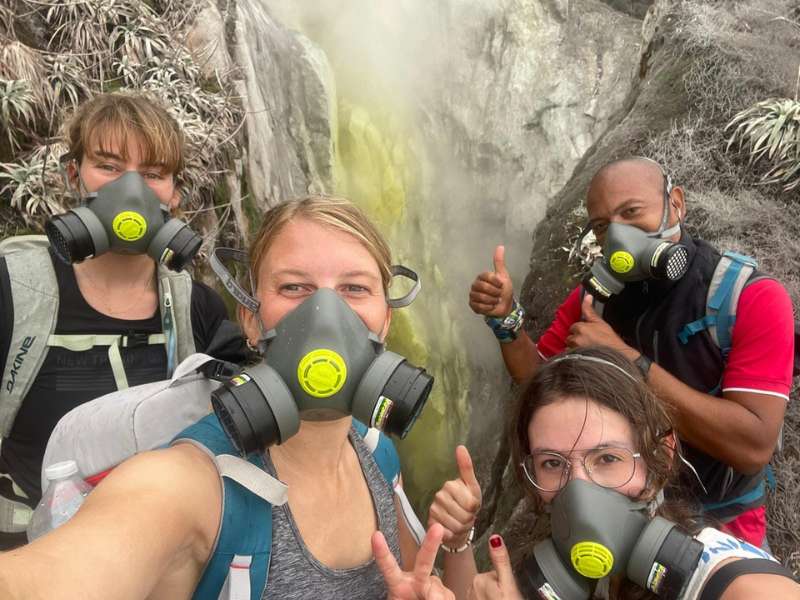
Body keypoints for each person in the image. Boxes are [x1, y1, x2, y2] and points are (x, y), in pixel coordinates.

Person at [0, 196, 480, 599]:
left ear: (386, 320)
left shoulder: (377, 451)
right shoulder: (193, 485)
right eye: (295, 287)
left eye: (355, 288)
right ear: (251, 321)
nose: (326, 314)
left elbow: (418, 576)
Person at [468, 157, 793, 548]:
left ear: (676, 204)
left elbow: (752, 446)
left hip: (721, 520)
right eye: (603, 225)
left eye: (632, 212)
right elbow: (540, 382)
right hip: (623, 514)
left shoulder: (749, 298)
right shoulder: (594, 300)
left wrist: (627, 360)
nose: (619, 234)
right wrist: (507, 322)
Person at [0, 92, 236, 549]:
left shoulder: (199, 309)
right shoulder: (14, 290)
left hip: (152, 554)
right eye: (108, 167)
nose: (132, 192)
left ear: (176, 193)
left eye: (153, 174)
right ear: (75, 175)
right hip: (26, 554)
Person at [467, 346, 800, 600]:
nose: (580, 492)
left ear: (661, 456)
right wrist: (457, 544)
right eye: (552, 463)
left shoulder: (738, 587)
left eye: (608, 458)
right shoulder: (577, 582)